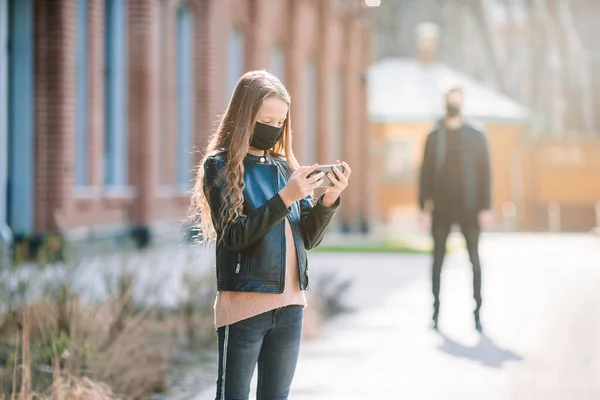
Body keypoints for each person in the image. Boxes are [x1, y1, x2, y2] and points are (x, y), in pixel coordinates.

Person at [191, 70, 351, 400]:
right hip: (245, 306)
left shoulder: (284, 167)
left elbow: (308, 237)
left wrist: (330, 197)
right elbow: (234, 237)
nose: (273, 128)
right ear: (245, 115)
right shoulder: (219, 166)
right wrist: (285, 198)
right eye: (266, 119)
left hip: (291, 307)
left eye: (280, 122)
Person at [418, 86, 492, 333]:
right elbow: (425, 173)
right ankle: (435, 312)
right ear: (444, 102)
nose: (453, 104)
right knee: (437, 260)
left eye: (457, 100)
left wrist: (485, 207)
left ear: (463, 102)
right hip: (441, 208)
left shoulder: (476, 135)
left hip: (470, 208)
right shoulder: (434, 136)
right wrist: (423, 208)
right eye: (450, 100)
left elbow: (486, 173)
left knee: (475, 261)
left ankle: (478, 313)